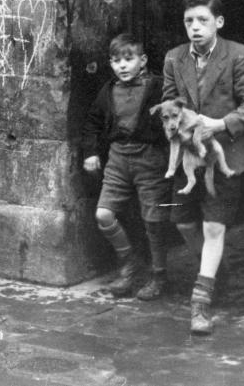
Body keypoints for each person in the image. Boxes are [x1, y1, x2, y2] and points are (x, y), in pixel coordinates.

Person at [162, 0, 244, 334]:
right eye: (189, 21)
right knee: (183, 223)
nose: (195, 27)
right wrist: (179, 127)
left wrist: (219, 125)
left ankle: (201, 302)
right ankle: (216, 273)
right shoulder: (174, 59)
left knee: (213, 227)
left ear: (218, 22)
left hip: (225, 153)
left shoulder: (238, 55)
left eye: (202, 20)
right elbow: (168, 104)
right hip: (190, 158)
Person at [81, 32, 170, 301]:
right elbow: (93, 123)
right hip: (118, 158)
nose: (122, 66)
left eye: (128, 59)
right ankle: (130, 267)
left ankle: (158, 275)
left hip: (149, 158)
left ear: (142, 61)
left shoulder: (157, 87)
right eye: (116, 60)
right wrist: (91, 152)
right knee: (104, 215)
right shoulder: (108, 91)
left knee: (153, 220)